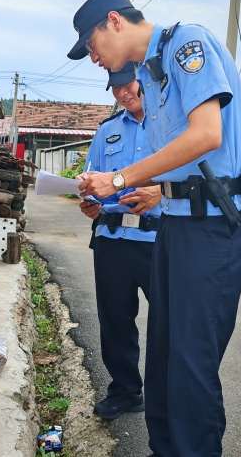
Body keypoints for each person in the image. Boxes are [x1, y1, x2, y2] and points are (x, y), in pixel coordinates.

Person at [68, 0, 241, 457]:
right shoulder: (150, 78)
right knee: (164, 356)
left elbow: (206, 135)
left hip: (213, 222)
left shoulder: (185, 45)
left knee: (191, 360)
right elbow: (169, 160)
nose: (93, 58)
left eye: (91, 46)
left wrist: (118, 179)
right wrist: (126, 190)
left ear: (114, 21)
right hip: (175, 220)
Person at [76, 63, 162, 420]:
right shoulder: (107, 131)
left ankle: (168, 395)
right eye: (115, 88)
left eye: (129, 85)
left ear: (143, 82)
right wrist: (89, 201)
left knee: (169, 321)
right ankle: (126, 391)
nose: (123, 93)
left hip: (158, 240)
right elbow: (92, 180)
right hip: (111, 238)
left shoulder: (169, 126)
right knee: (115, 320)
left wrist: (160, 191)